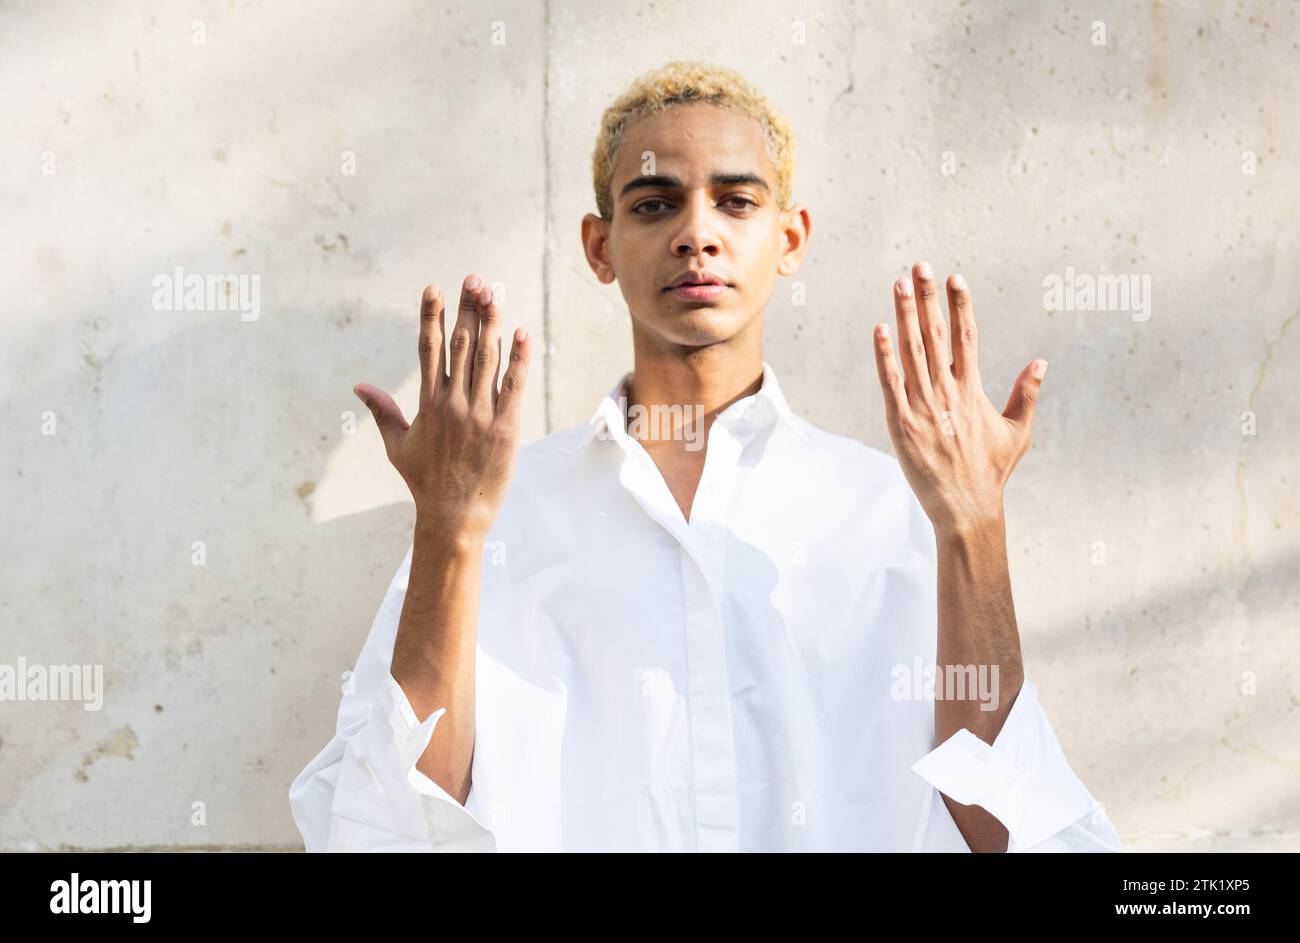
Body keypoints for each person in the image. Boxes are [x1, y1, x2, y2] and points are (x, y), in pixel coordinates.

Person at [289, 61, 1121, 852]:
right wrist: (450, 528)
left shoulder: (889, 510)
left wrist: (975, 523)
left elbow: (1006, 832)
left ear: (789, 236)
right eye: (654, 205)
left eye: (735, 202)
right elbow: (395, 823)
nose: (697, 234)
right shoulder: (497, 511)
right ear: (599, 246)